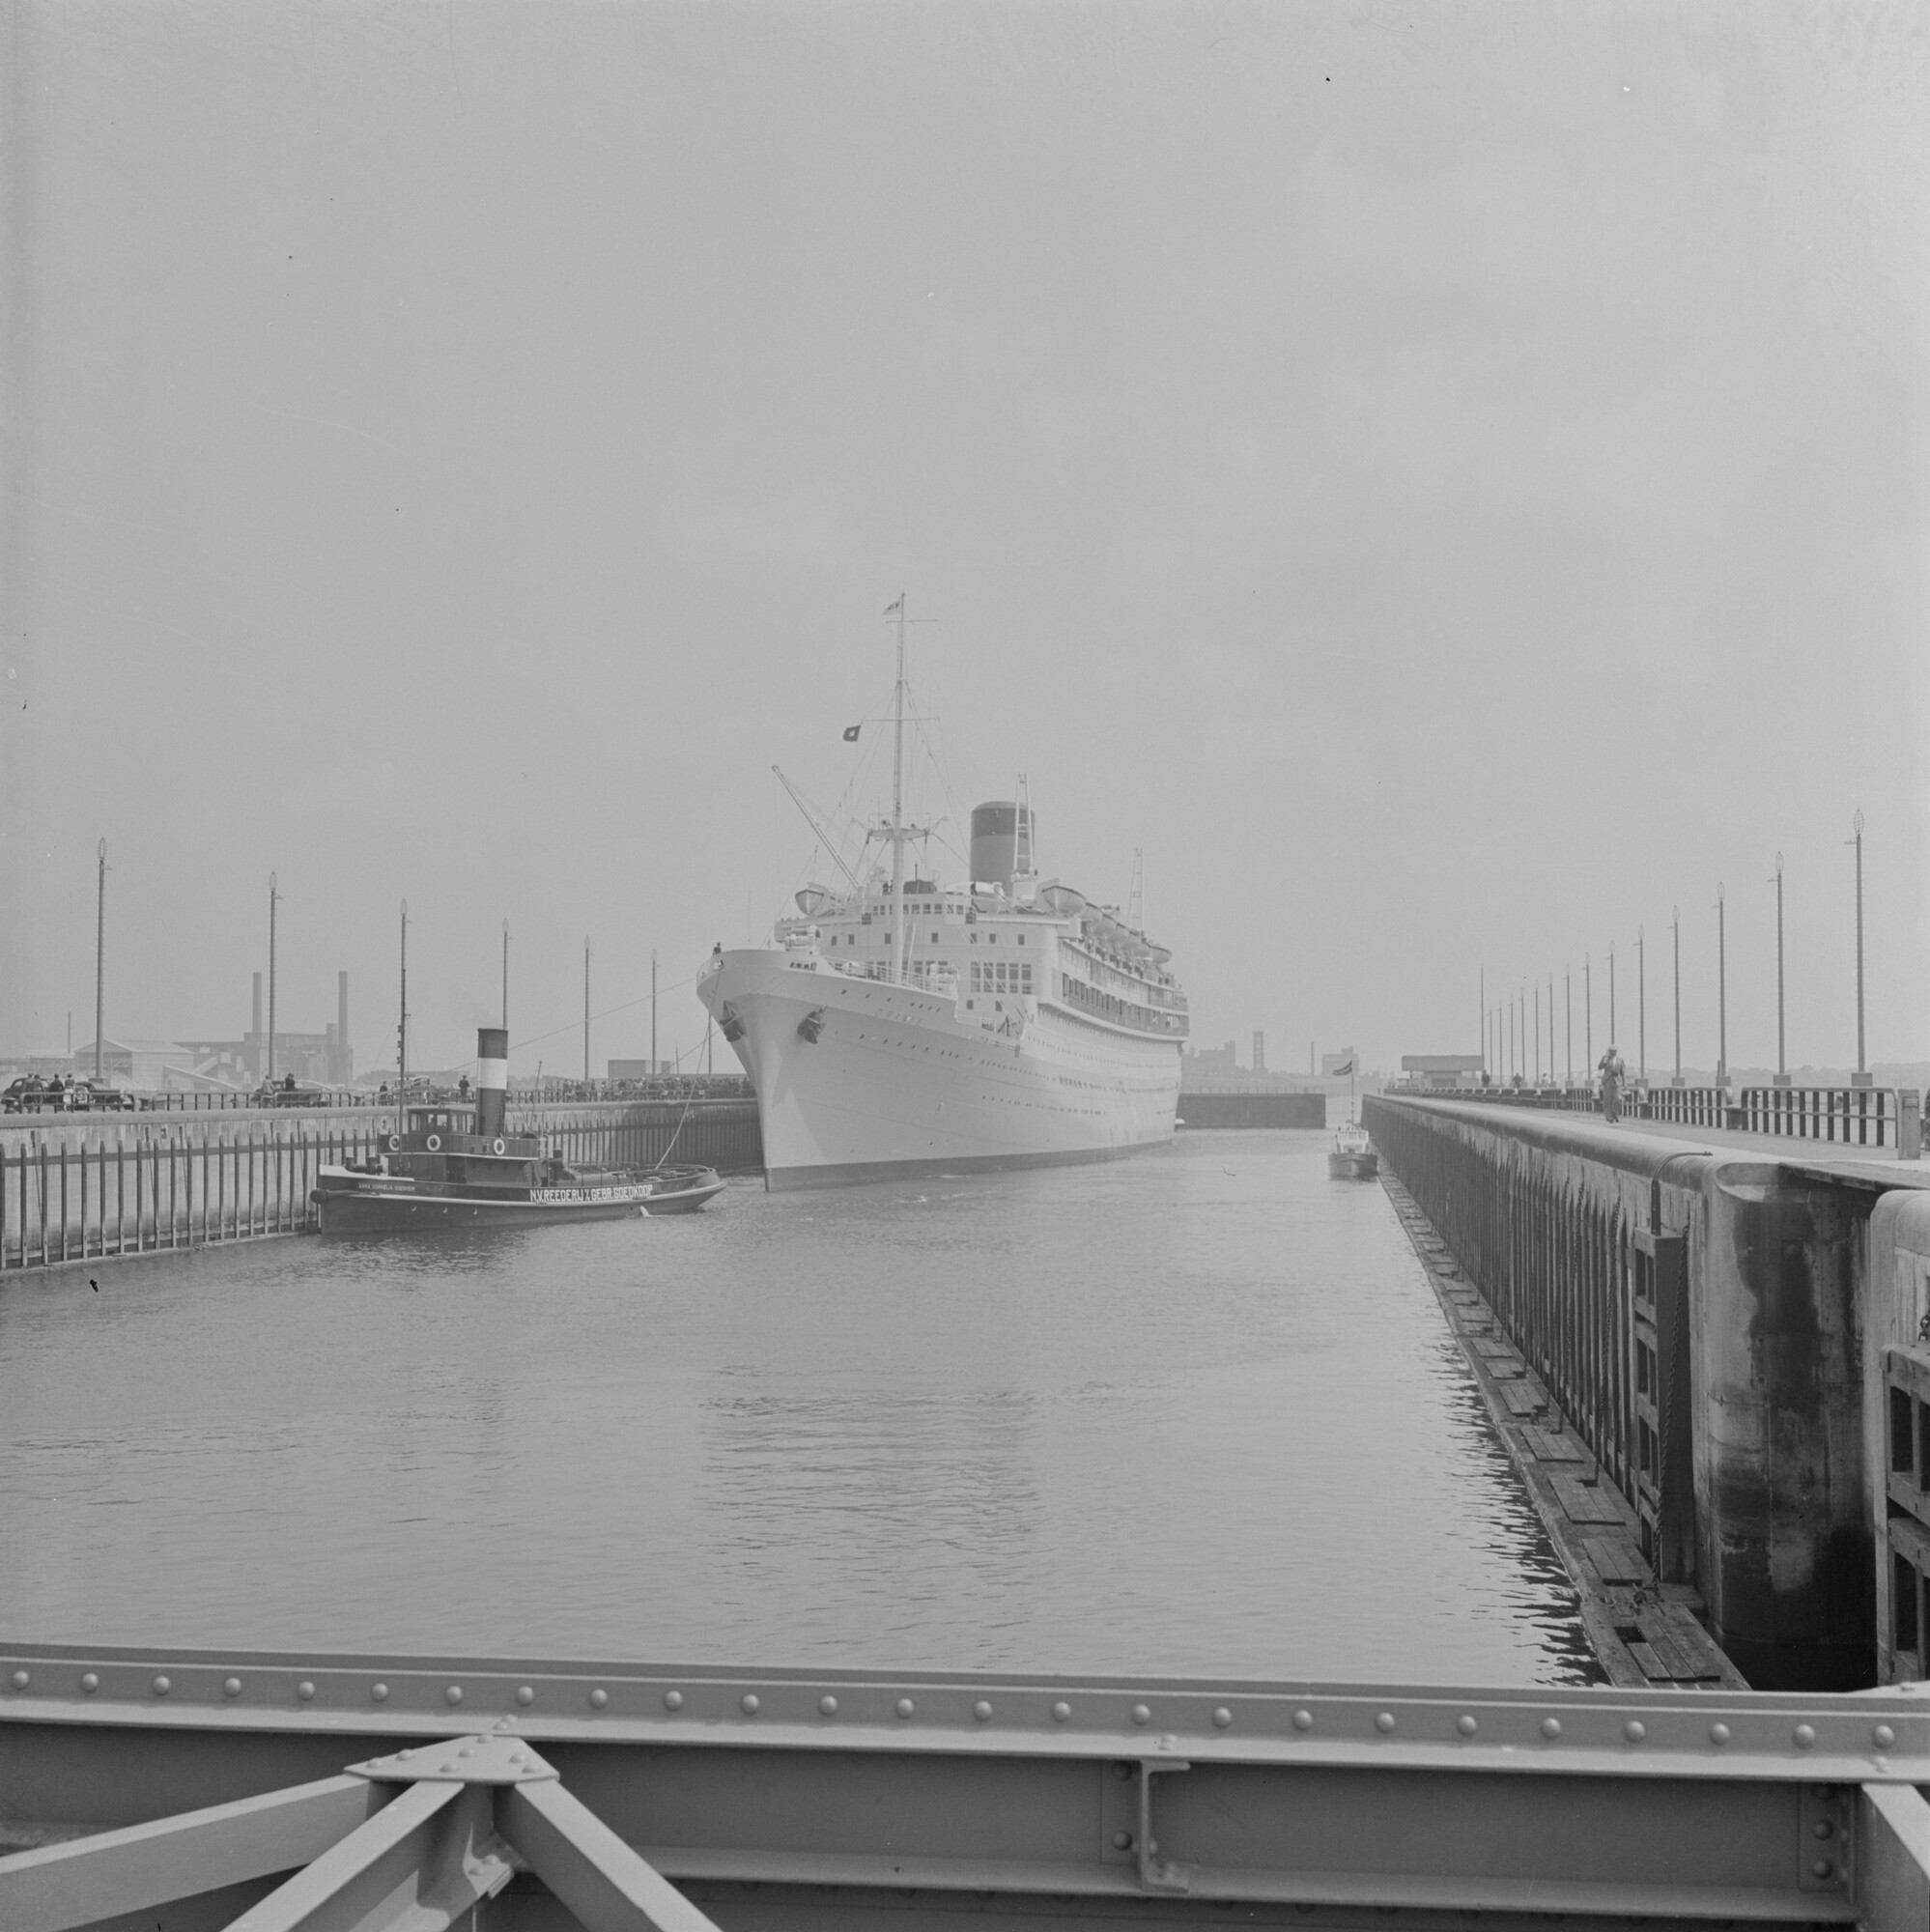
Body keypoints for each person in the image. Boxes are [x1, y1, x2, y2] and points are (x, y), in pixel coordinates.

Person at [1598, 1043, 1626, 1123]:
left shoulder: (1620, 1060)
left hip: (1617, 1081)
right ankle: (1609, 1117)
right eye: (1611, 1051)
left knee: (1617, 1099)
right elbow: (1600, 1067)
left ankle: (1616, 1115)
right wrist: (1605, 1059)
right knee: (1608, 1099)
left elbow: (1623, 1072)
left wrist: (1625, 1085)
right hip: (1608, 1080)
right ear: (1609, 1051)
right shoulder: (1605, 1058)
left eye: (1614, 1051)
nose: (1613, 1053)